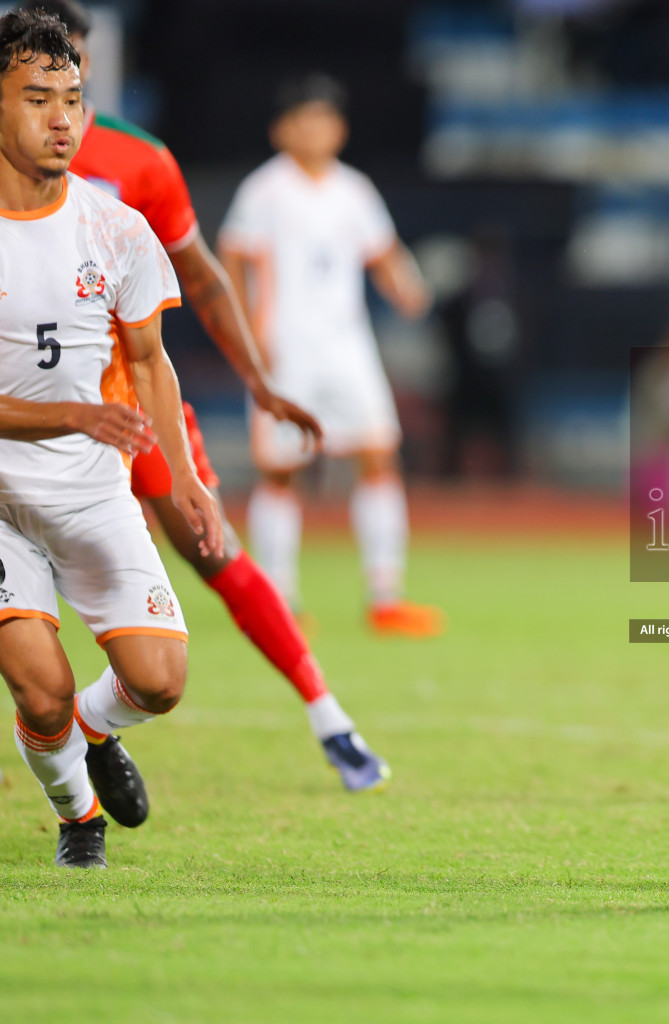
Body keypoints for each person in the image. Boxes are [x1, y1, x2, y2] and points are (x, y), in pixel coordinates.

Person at [19, 0, 391, 793]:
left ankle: (329, 718)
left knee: (213, 551)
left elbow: (203, 279)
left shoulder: (141, 162)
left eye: (71, 73)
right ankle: (67, 750)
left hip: (126, 403)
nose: (62, 99)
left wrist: (261, 382)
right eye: (40, 81)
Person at [0, 9, 222, 867]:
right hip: (4, 500)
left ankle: (96, 734)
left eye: (74, 99)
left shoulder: (115, 228)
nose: (63, 120)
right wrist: (73, 414)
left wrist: (187, 474)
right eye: (37, 100)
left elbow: (150, 360)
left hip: (92, 488)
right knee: (42, 693)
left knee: (160, 681)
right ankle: (78, 817)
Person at [218, 74, 443, 637]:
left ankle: (386, 594)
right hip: (286, 348)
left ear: (339, 129)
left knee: (377, 457)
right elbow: (233, 258)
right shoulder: (263, 191)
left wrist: (407, 285)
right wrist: (246, 331)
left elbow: (384, 253)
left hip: (347, 346)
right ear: (281, 130)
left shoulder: (355, 190)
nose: (314, 129)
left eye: (323, 119)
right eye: (303, 119)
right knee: (282, 470)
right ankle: (279, 597)